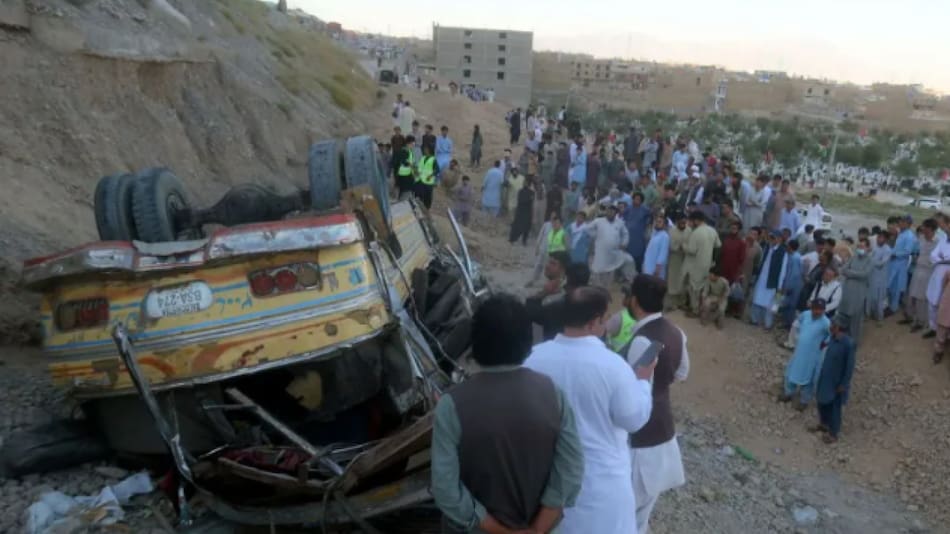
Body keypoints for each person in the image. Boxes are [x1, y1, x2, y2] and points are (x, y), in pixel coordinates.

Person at [431, 294, 584, 533]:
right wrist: (537, 529)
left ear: (476, 342)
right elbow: (570, 471)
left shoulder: (451, 405)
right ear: (526, 341)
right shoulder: (553, 393)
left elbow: (446, 490)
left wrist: (497, 529)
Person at [524, 287, 655, 534]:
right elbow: (633, 418)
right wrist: (642, 382)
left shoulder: (533, 359)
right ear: (595, 321)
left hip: (547, 487)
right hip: (601, 488)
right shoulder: (613, 366)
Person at [623, 275, 689, 534]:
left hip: (642, 438)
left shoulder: (642, 340)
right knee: (642, 514)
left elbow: (633, 387)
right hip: (663, 427)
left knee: (628, 508)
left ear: (634, 301)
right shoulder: (677, 332)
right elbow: (682, 373)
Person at [780, 298, 832, 411]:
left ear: (823, 310)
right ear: (811, 308)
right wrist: (795, 338)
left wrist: (824, 344)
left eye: (820, 310)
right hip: (799, 352)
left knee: (809, 378)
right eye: (815, 309)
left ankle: (804, 401)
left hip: (812, 357)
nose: (817, 312)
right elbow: (796, 325)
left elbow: (831, 336)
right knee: (792, 371)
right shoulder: (805, 315)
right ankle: (788, 393)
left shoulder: (826, 322)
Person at [526, 254, 589, 341]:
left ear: (564, 273)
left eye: (553, 263)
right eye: (548, 262)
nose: (547, 266)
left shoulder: (557, 304)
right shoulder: (592, 302)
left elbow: (532, 313)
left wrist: (543, 294)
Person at [812, 319, 856, 444]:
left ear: (839, 328)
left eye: (833, 325)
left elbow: (849, 367)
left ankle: (833, 433)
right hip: (825, 377)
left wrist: (844, 384)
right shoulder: (832, 338)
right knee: (822, 401)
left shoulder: (848, 344)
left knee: (834, 407)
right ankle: (823, 424)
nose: (831, 327)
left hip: (836, 382)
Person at [901, 219, 938, 335]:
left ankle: (921, 322)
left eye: (926, 229)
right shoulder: (921, 239)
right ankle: (911, 317)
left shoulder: (938, 241)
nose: (924, 231)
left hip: (928, 272)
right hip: (917, 270)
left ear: (932, 230)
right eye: (923, 229)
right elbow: (915, 250)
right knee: (912, 294)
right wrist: (915, 256)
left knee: (923, 298)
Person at [682, 211, 722, 316]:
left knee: (693, 288)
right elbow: (718, 245)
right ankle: (702, 309)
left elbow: (691, 250)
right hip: (708, 264)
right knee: (703, 289)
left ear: (696, 220)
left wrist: (683, 246)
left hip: (696, 265)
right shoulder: (713, 230)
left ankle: (695, 310)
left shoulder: (696, 232)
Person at [586, 204, 636, 287]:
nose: (610, 213)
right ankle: (597, 288)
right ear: (606, 212)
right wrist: (595, 235)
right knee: (599, 271)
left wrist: (624, 243)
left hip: (614, 252)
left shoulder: (619, 223)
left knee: (622, 264)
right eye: (608, 211)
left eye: (612, 211)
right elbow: (588, 229)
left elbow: (625, 234)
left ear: (616, 213)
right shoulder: (599, 221)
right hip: (601, 252)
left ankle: (608, 289)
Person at [749, 231, 787, 330]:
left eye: (774, 238)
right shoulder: (767, 248)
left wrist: (779, 286)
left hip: (772, 282)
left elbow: (782, 270)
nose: (772, 240)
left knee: (770, 304)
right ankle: (754, 319)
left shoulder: (783, 252)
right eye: (771, 238)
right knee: (757, 299)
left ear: (779, 239)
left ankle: (767, 324)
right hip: (762, 278)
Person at [837, 237, 872, 345]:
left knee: (855, 319)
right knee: (843, 314)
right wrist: (853, 273)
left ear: (867, 248)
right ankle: (842, 339)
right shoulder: (854, 257)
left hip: (859, 293)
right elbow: (843, 269)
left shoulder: (870, 260)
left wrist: (850, 273)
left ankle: (854, 343)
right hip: (847, 290)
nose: (860, 249)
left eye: (862, 247)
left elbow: (864, 274)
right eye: (858, 246)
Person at [887, 215, 918, 315]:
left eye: (901, 222)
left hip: (900, 264)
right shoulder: (901, 233)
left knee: (896, 287)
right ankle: (889, 305)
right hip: (893, 262)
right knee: (890, 285)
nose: (899, 224)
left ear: (907, 224)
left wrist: (895, 254)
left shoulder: (909, 236)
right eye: (899, 222)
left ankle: (893, 308)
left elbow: (907, 251)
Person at [665, 216, 691, 311]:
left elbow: (691, 244)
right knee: (673, 280)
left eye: (684, 223)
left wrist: (684, 247)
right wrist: (680, 246)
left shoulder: (689, 231)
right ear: (677, 222)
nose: (683, 224)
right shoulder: (671, 231)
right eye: (681, 223)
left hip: (686, 259)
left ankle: (682, 302)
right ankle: (672, 303)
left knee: (683, 280)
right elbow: (671, 245)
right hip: (674, 259)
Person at [738, 227, 763, 319]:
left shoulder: (758, 249)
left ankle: (739, 312)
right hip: (737, 270)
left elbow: (757, 263)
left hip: (747, 273)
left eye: (755, 234)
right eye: (751, 233)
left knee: (743, 292)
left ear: (758, 237)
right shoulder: (741, 242)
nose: (752, 236)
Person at [625, 193, 653, 272]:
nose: (636, 201)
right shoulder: (628, 208)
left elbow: (650, 218)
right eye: (635, 199)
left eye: (638, 200)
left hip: (639, 238)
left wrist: (647, 225)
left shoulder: (645, 210)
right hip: (628, 237)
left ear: (641, 201)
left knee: (638, 258)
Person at [867, 231, 892, 321]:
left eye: (881, 237)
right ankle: (871, 314)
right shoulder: (874, 248)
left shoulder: (888, 250)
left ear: (886, 239)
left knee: (880, 299)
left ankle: (880, 318)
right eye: (878, 237)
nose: (879, 239)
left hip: (881, 278)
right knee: (872, 297)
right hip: (872, 276)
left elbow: (881, 264)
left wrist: (870, 259)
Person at [779, 239, 804, 328]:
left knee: (790, 305)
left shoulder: (794, 258)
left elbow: (794, 274)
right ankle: (786, 322)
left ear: (790, 247)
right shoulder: (795, 256)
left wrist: (788, 287)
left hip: (793, 285)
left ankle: (788, 323)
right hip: (794, 284)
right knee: (788, 304)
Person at [606, 288, 638, 353]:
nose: (622, 299)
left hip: (615, 357)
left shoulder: (618, 318)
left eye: (626, 297)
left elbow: (602, 334)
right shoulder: (645, 318)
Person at [509, 179, 535, 246]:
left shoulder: (532, 192)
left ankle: (524, 241)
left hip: (527, 212)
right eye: (524, 182)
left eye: (525, 183)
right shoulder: (520, 191)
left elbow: (532, 203)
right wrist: (529, 199)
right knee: (517, 226)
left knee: (526, 228)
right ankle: (512, 239)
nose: (524, 184)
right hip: (520, 211)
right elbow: (521, 200)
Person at [414, 144, 439, 209]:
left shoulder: (433, 159)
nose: (424, 150)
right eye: (424, 149)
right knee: (418, 196)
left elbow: (437, 170)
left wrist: (430, 176)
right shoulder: (423, 158)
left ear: (429, 150)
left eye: (425, 149)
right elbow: (419, 167)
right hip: (420, 180)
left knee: (427, 199)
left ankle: (426, 211)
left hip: (428, 183)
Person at [393, 135, 416, 199]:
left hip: (409, 174)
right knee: (405, 193)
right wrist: (412, 166)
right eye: (412, 144)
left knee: (407, 191)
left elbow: (411, 161)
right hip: (404, 176)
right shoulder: (403, 151)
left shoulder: (410, 151)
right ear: (408, 143)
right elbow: (404, 162)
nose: (413, 146)